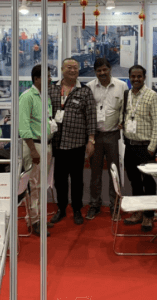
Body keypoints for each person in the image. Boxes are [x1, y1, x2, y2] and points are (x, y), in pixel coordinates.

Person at [48, 58, 97, 226]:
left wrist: (91, 140)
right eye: (69, 67)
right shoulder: (52, 89)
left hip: (77, 144)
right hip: (57, 143)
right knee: (59, 179)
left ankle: (77, 209)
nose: (73, 70)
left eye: (75, 68)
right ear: (62, 69)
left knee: (77, 180)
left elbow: (91, 116)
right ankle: (61, 208)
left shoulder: (85, 91)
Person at [122, 64, 157, 232]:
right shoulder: (127, 95)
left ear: (144, 78)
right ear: (130, 78)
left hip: (146, 148)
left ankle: (148, 215)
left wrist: (152, 148)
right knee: (134, 182)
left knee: (148, 183)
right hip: (130, 146)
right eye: (133, 76)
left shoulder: (153, 96)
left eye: (139, 76)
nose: (136, 79)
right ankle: (138, 212)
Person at [86, 58, 126, 220]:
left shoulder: (121, 86)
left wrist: (123, 122)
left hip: (113, 135)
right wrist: (90, 139)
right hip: (95, 136)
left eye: (105, 69)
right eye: (99, 71)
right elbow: (87, 111)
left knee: (114, 173)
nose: (102, 73)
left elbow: (125, 108)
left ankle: (114, 206)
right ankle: (94, 205)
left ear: (110, 69)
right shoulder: (89, 87)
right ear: (95, 72)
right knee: (95, 173)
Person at [18, 64, 55, 236]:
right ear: (37, 79)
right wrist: (33, 150)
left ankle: (39, 218)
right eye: (47, 76)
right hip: (34, 145)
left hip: (46, 145)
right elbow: (23, 126)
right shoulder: (27, 97)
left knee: (41, 185)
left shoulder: (44, 97)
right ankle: (33, 221)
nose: (50, 79)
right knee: (33, 185)